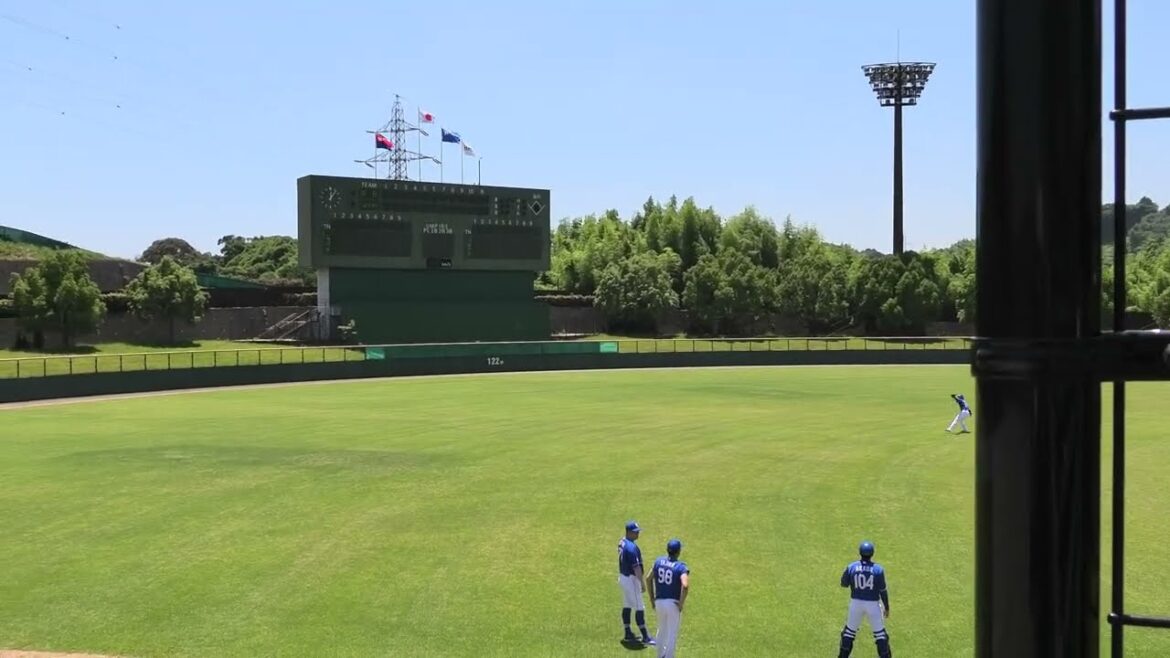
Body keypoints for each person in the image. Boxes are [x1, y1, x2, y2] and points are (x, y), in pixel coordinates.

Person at [838, 540, 892, 658]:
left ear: (860, 552)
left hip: (856, 604)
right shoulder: (878, 570)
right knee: (881, 635)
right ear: (872, 553)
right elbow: (883, 591)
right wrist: (887, 607)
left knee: (848, 633)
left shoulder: (852, 567)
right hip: (873, 605)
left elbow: (844, 583)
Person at [646, 538, 689, 657]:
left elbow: (648, 578)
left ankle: (660, 655)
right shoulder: (681, 567)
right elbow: (685, 586)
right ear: (678, 552)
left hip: (659, 602)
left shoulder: (658, 561)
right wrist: (681, 604)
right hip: (673, 604)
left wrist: (652, 598)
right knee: (672, 633)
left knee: (661, 629)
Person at [617, 520, 654, 645]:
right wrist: (642, 583)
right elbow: (637, 568)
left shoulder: (622, 541)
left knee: (627, 604)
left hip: (623, 577)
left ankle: (627, 632)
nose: (638, 534)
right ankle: (645, 637)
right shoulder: (631, 548)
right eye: (635, 532)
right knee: (639, 607)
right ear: (629, 532)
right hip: (631, 580)